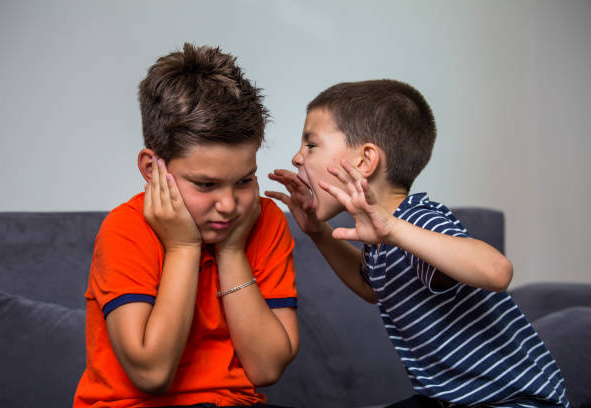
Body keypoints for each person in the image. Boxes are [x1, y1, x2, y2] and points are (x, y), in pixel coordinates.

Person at [266, 79, 568, 408]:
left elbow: (497, 271)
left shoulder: (416, 220)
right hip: (447, 398)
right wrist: (318, 232)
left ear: (364, 161)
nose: (297, 157)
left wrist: (394, 230)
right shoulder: (382, 235)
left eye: (311, 144)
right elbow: (372, 288)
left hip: (513, 401)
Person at [73, 43, 299, 408]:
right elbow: (152, 374)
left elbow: (267, 368)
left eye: (244, 181)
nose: (228, 206)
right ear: (152, 169)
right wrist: (182, 248)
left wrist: (232, 251)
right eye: (206, 185)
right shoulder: (125, 229)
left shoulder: (264, 219)